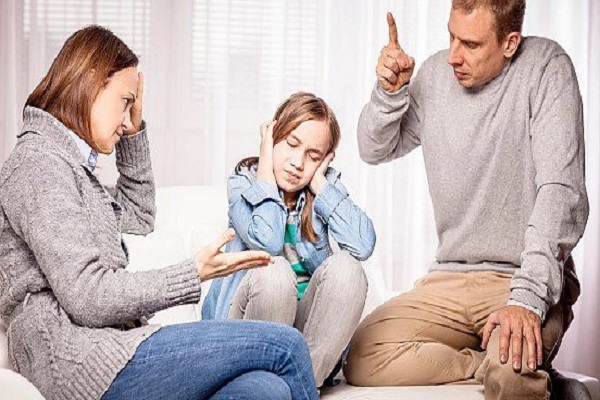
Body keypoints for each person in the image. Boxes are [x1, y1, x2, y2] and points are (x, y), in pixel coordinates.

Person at [0, 25, 319, 400]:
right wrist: (193, 273)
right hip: (80, 363)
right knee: (287, 346)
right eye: (125, 101)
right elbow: (88, 295)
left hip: (110, 351)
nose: (126, 119)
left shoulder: (68, 167)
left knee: (266, 390)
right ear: (91, 81)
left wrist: (133, 132)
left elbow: (137, 216)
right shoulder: (40, 164)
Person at [344, 1, 589, 399]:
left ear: (510, 43)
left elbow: (562, 193)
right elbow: (374, 149)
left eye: (471, 44)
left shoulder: (546, 68)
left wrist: (526, 300)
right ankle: (497, 370)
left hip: (519, 277)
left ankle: (511, 370)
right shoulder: (435, 76)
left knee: (511, 375)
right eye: (451, 36)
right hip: (449, 280)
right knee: (362, 355)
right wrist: (390, 93)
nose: (453, 56)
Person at [202, 92, 376, 388]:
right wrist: (265, 166)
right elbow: (268, 242)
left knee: (348, 268)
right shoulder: (243, 182)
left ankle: (298, 386)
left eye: (313, 156)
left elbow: (363, 244)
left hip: (304, 337)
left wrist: (320, 184)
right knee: (275, 271)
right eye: (291, 144)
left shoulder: (321, 188)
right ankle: (265, 384)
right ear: (273, 136)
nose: (298, 162)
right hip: (247, 325)